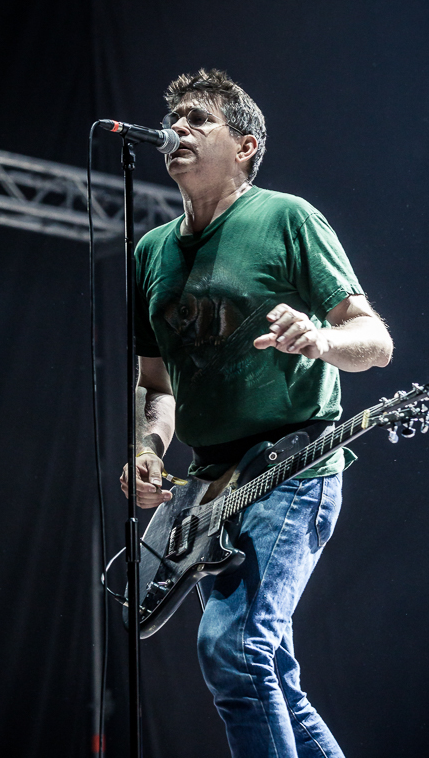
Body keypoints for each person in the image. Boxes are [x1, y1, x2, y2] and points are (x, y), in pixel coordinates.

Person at [120, 69, 393, 758]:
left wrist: (320, 339)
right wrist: (148, 447)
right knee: (268, 674)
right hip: (209, 485)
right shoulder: (150, 251)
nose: (177, 130)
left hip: (292, 465)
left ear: (244, 146)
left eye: (197, 119)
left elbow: (375, 341)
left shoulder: (286, 217)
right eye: (173, 120)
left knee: (234, 651)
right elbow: (155, 383)